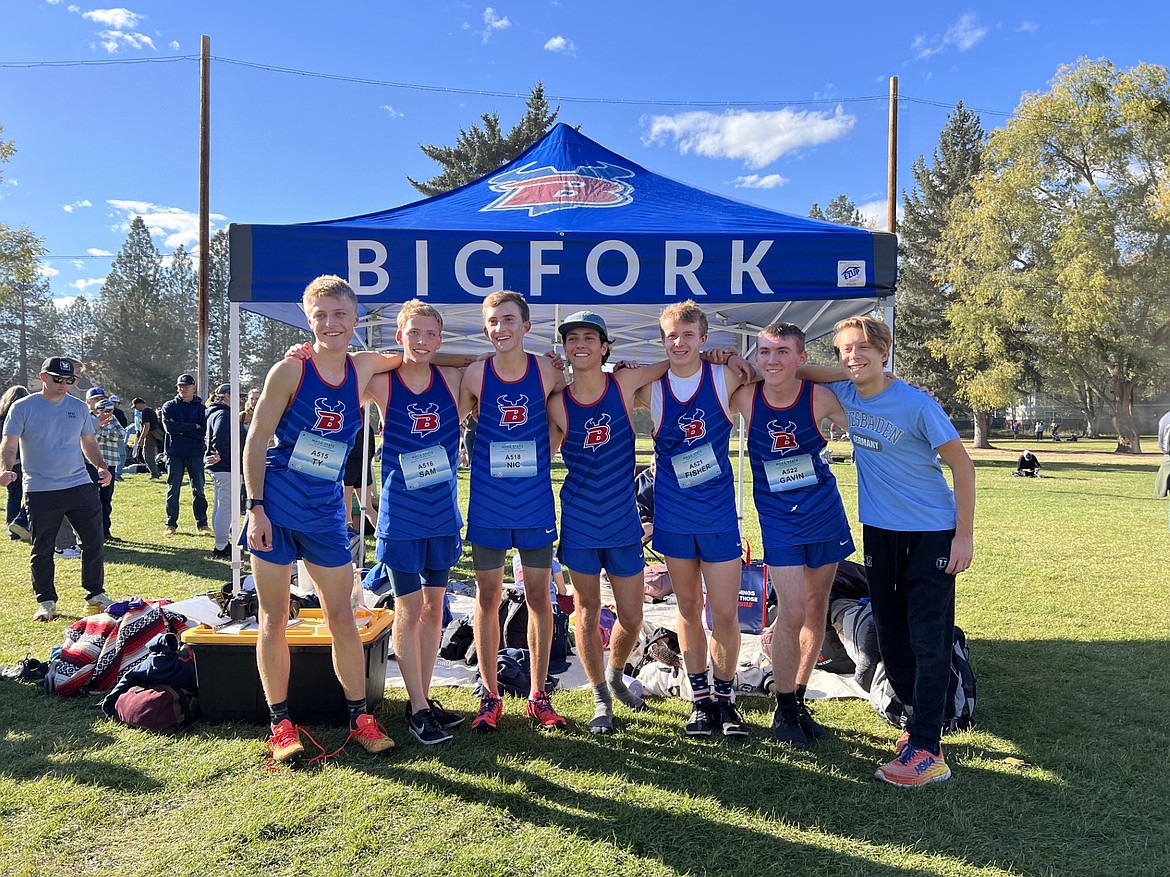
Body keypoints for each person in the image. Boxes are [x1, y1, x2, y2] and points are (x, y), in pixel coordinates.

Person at [809, 316, 974, 787]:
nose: (853, 356)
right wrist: (850, 371)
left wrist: (963, 537)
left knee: (928, 636)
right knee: (890, 632)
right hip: (880, 534)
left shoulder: (917, 404)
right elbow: (799, 372)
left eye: (862, 348)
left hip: (932, 534)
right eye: (844, 350)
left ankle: (929, 750)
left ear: (885, 351)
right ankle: (914, 725)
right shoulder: (847, 395)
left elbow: (963, 469)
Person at [244, 275, 397, 764]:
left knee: (342, 618)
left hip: (326, 510)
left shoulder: (364, 366)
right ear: (308, 321)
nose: (330, 324)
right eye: (320, 316)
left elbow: (417, 353)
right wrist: (256, 508)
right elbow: (255, 440)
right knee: (274, 617)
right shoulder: (289, 370)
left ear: (355, 320)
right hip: (277, 506)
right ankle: (281, 723)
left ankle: (360, 717)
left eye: (339, 314)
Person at [547, 311, 680, 734]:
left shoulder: (623, 384)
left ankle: (616, 674)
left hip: (623, 521)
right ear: (565, 348)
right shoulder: (557, 401)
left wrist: (716, 355)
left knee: (632, 614)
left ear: (605, 346)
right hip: (580, 522)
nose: (580, 344)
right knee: (586, 610)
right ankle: (600, 698)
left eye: (590, 337)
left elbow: (679, 362)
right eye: (572, 339)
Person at [632, 300, 757, 739]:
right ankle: (700, 699)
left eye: (688, 335)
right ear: (662, 340)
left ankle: (727, 700)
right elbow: (604, 386)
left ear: (704, 339)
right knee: (686, 609)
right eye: (671, 336)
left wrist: (736, 359)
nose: (679, 343)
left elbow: (770, 378)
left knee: (724, 612)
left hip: (718, 516)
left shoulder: (723, 377)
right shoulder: (653, 387)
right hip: (673, 516)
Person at [728, 322, 853, 749]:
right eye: (764, 352)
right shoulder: (746, 397)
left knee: (816, 609)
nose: (771, 360)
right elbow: (701, 380)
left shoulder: (819, 397)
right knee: (792, 610)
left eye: (782, 352)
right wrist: (724, 358)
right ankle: (782, 707)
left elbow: (866, 411)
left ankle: (799, 699)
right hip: (779, 522)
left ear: (801, 357)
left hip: (824, 515)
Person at [458, 290, 568, 733]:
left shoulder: (545, 370)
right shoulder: (474, 374)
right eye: (492, 321)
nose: (500, 328)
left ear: (526, 325)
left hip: (535, 502)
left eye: (508, 320)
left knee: (540, 598)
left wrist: (551, 449)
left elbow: (570, 409)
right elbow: (446, 408)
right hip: (488, 503)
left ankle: (539, 695)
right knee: (488, 599)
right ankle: (490, 694)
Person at [366, 299, 466, 745]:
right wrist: (303, 354)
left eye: (430, 334)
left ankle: (421, 699)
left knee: (433, 609)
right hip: (402, 517)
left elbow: (492, 364)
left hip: (442, 515)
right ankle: (418, 708)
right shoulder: (384, 383)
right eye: (413, 333)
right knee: (407, 610)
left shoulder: (454, 380)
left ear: (440, 339)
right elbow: (345, 365)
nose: (422, 341)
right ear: (399, 336)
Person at [0, 357, 115, 622]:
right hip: (41, 489)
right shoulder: (23, 407)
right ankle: (46, 601)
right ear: (43, 378)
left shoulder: (78, 407)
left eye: (69, 380)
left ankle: (95, 595)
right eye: (57, 379)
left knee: (94, 541)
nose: (64, 384)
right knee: (43, 548)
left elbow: (88, 441)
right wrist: (5, 469)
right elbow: (8, 443)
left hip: (79, 485)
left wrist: (100, 465)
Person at [161, 374, 210, 535]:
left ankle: (202, 524)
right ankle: (171, 524)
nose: (183, 389)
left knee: (199, 489)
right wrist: (193, 427)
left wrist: (183, 430)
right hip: (175, 454)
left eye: (186, 386)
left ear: (193, 388)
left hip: (195, 454)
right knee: (173, 490)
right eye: (180, 386)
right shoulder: (169, 406)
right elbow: (169, 428)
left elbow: (203, 431)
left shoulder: (201, 408)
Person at [205, 384, 246, 560]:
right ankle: (221, 546)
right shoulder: (224, 414)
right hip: (227, 467)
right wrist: (224, 455)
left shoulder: (216, 412)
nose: (241, 400)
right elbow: (220, 437)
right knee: (226, 506)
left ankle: (221, 543)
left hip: (222, 467)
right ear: (227, 396)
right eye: (237, 395)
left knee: (221, 505)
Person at [91, 398, 126, 540]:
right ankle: (94, 533)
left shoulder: (114, 419)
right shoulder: (90, 419)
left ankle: (106, 532)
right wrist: (100, 428)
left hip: (110, 463)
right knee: (94, 500)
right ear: (97, 410)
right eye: (105, 411)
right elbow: (91, 436)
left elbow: (122, 434)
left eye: (111, 410)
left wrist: (102, 430)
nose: (108, 414)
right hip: (93, 464)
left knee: (106, 499)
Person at [2, 385, 31, 541]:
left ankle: (12, 529)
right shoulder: (25, 414)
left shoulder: (1, 418)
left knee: (13, 495)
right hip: (24, 459)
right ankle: (20, 522)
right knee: (30, 494)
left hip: (7, 461)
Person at [132, 397, 163, 479]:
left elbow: (146, 426)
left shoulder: (145, 412)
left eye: (136, 406)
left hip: (150, 435)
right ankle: (156, 471)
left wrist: (142, 438)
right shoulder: (151, 411)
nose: (136, 409)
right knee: (151, 455)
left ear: (139, 404)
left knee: (147, 455)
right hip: (155, 435)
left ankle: (154, 473)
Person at [634, 457, 655, 543]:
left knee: (640, 531)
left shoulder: (670, 482)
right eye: (653, 465)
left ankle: (633, 554)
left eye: (657, 464)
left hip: (656, 520)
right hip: (636, 516)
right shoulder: (641, 478)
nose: (655, 467)